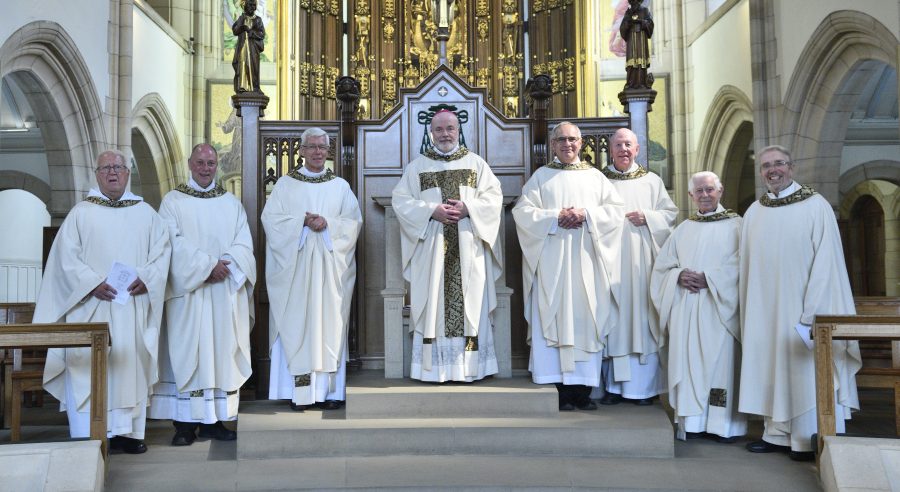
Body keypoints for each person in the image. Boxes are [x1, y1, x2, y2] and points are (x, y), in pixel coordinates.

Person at [36, 150, 170, 454]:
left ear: (128, 173)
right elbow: (63, 261)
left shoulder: (146, 213)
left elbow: (162, 254)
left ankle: (127, 434)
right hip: (89, 308)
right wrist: (92, 283)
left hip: (131, 306)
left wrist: (147, 277)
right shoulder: (81, 213)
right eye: (106, 167)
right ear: (97, 174)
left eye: (119, 167)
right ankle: (88, 433)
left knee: (128, 367)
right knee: (89, 370)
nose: (113, 172)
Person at [739, 145, 861, 462]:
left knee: (803, 372)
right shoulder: (754, 212)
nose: (773, 170)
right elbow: (745, 267)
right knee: (772, 370)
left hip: (803, 312)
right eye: (766, 166)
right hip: (765, 313)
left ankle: (807, 439)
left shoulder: (815, 206)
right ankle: (775, 434)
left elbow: (827, 264)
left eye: (779, 164)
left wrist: (812, 315)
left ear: (791, 168)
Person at [148, 144, 256, 446]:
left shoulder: (230, 203)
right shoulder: (172, 202)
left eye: (210, 162)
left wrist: (227, 265)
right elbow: (170, 243)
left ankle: (215, 422)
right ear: (190, 164)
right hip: (189, 296)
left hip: (223, 294)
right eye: (200, 162)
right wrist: (207, 267)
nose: (206, 168)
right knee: (188, 353)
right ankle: (184, 424)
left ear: (217, 164)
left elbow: (243, 244)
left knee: (220, 352)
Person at [512, 122, 624, 410]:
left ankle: (582, 393)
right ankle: (558, 390)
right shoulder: (541, 177)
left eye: (572, 139)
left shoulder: (596, 178)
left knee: (586, 320)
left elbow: (615, 212)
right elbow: (522, 212)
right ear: (552, 145)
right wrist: (555, 216)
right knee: (553, 320)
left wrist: (585, 214)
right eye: (561, 139)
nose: (567, 144)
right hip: (552, 265)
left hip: (587, 264)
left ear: (581, 142)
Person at [392, 109, 503, 382]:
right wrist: (431, 210)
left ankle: (471, 366)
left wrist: (469, 208)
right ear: (431, 132)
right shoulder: (418, 166)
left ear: (458, 130)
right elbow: (401, 201)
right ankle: (433, 369)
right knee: (435, 302)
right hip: (433, 251)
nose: (445, 134)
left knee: (471, 301)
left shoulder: (476, 164)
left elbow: (493, 199)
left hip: (468, 249)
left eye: (450, 128)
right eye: (439, 129)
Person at [262, 128, 362, 410]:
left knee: (328, 325)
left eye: (322, 147)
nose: (318, 152)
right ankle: (299, 393)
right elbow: (271, 221)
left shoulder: (340, 187)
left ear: (328, 152)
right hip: (296, 274)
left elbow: (353, 223)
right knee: (297, 324)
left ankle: (330, 393)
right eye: (312, 147)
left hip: (330, 274)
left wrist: (328, 223)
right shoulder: (284, 185)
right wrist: (302, 223)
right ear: (301, 151)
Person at [650, 171, 747, 442]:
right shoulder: (683, 229)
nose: (705, 195)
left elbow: (744, 265)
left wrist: (710, 279)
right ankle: (691, 423)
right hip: (687, 310)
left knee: (720, 367)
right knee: (689, 364)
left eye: (710, 190)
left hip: (720, 311)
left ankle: (721, 425)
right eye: (699, 191)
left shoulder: (738, 226)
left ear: (720, 191)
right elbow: (662, 268)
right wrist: (677, 275)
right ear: (691, 196)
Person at [600, 127, 677, 406]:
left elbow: (670, 215)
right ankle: (613, 387)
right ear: (611, 149)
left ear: (637, 149)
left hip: (643, 263)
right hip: (609, 263)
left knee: (643, 322)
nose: (623, 150)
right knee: (613, 321)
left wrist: (648, 217)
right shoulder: (600, 181)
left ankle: (644, 390)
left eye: (628, 145)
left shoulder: (652, 181)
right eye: (618, 145)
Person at [232, 0, 265, 93]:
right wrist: (242, 27)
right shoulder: (241, 18)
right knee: (242, 63)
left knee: (254, 67)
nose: (252, 7)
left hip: (253, 49)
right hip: (243, 47)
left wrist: (252, 32)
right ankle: (242, 86)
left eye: (254, 5)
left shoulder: (258, 19)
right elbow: (235, 30)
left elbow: (262, 34)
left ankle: (254, 87)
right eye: (250, 5)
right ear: (245, 6)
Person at [620, 0, 654, 89]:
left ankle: (642, 83)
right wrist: (629, 22)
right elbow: (622, 29)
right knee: (632, 61)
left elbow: (650, 24)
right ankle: (630, 83)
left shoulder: (645, 10)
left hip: (641, 38)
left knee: (640, 61)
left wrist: (641, 22)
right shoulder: (628, 13)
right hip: (631, 39)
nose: (634, 2)